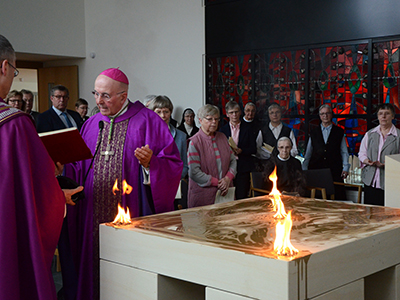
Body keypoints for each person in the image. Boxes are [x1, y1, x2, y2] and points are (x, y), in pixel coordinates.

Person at [65, 68, 182, 300]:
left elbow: (172, 164)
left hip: (131, 210)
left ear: (123, 95)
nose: (98, 101)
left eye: (105, 95)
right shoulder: (91, 124)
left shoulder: (148, 121)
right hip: (92, 211)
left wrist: (151, 164)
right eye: (96, 94)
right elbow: (77, 166)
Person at [0, 34, 79, 300]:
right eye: (14, 70)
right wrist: (58, 196)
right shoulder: (13, 125)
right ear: (4, 68)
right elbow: (31, 196)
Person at [188, 104, 237, 208]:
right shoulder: (194, 142)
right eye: (209, 119)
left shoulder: (222, 137)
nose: (214, 122)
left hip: (225, 194)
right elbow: (194, 172)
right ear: (200, 120)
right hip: (203, 196)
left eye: (216, 119)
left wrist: (228, 179)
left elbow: (233, 161)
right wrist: (217, 182)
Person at [302, 104, 350, 200]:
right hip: (316, 169)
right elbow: (308, 152)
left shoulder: (339, 131)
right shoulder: (314, 132)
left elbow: (344, 151)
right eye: (322, 114)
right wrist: (304, 169)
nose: (325, 116)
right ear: (319, 116)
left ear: (331, 114)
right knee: (317, 198)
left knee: (336, 197)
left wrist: (346, 167)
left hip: (334, 169)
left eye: (327, 113)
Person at [359, 103, 400, 206]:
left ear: (393, 116)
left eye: (387, 113)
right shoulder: (370, 134)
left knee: (388, 215)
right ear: (377, 116)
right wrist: (367, 161)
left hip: (391, 182)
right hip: (370, 181)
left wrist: (390, 164)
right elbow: (362, 153)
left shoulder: (398, 135)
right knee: (370, 215)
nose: (383, 116)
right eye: (380, 114)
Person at [220, 101, 257, 199]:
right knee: (227, 195)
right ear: (227, 114)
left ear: (240, 112)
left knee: (242, 195)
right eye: (231, 112)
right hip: (227, 166)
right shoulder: (222, 130)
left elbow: (254, 149)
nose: (234, 115)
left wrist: (242, 151)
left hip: (243, 166)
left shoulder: (248, 128)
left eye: (236, 112)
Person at [150, 95, 188, 179]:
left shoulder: (181, 136)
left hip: (174, 182)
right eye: (158, 112)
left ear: (170, 112)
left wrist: (175, 178)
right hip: (152, 182)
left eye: (166, 112)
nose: (163, 116)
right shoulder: (147, 135)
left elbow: (185, 165)